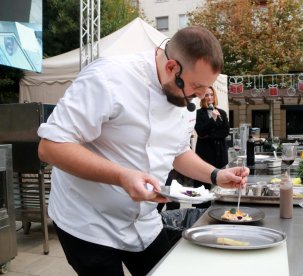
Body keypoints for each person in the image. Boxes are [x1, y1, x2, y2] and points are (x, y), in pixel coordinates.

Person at [37, 26, 249, 276]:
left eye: (206, 88)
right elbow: (50, 147)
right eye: (196, 86)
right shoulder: (108, 78)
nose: (200, 96)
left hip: (145, 222)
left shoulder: (183, 96)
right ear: (171, 67)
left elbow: (178, 152)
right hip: (88, 221)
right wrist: (122, 176)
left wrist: (216, 175)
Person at [193, 86, 230, 208]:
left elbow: (225, 132)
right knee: (203, 190)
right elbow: (201, 132)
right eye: (207, 95)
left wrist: (210, 135)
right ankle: (199, 215)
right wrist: (212, 120)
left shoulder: (222, 112)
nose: (209, 97)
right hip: (205, 156)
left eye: (211, 95)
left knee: (220, 189)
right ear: (203, 97)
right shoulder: (198, 113)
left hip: (220, 155)